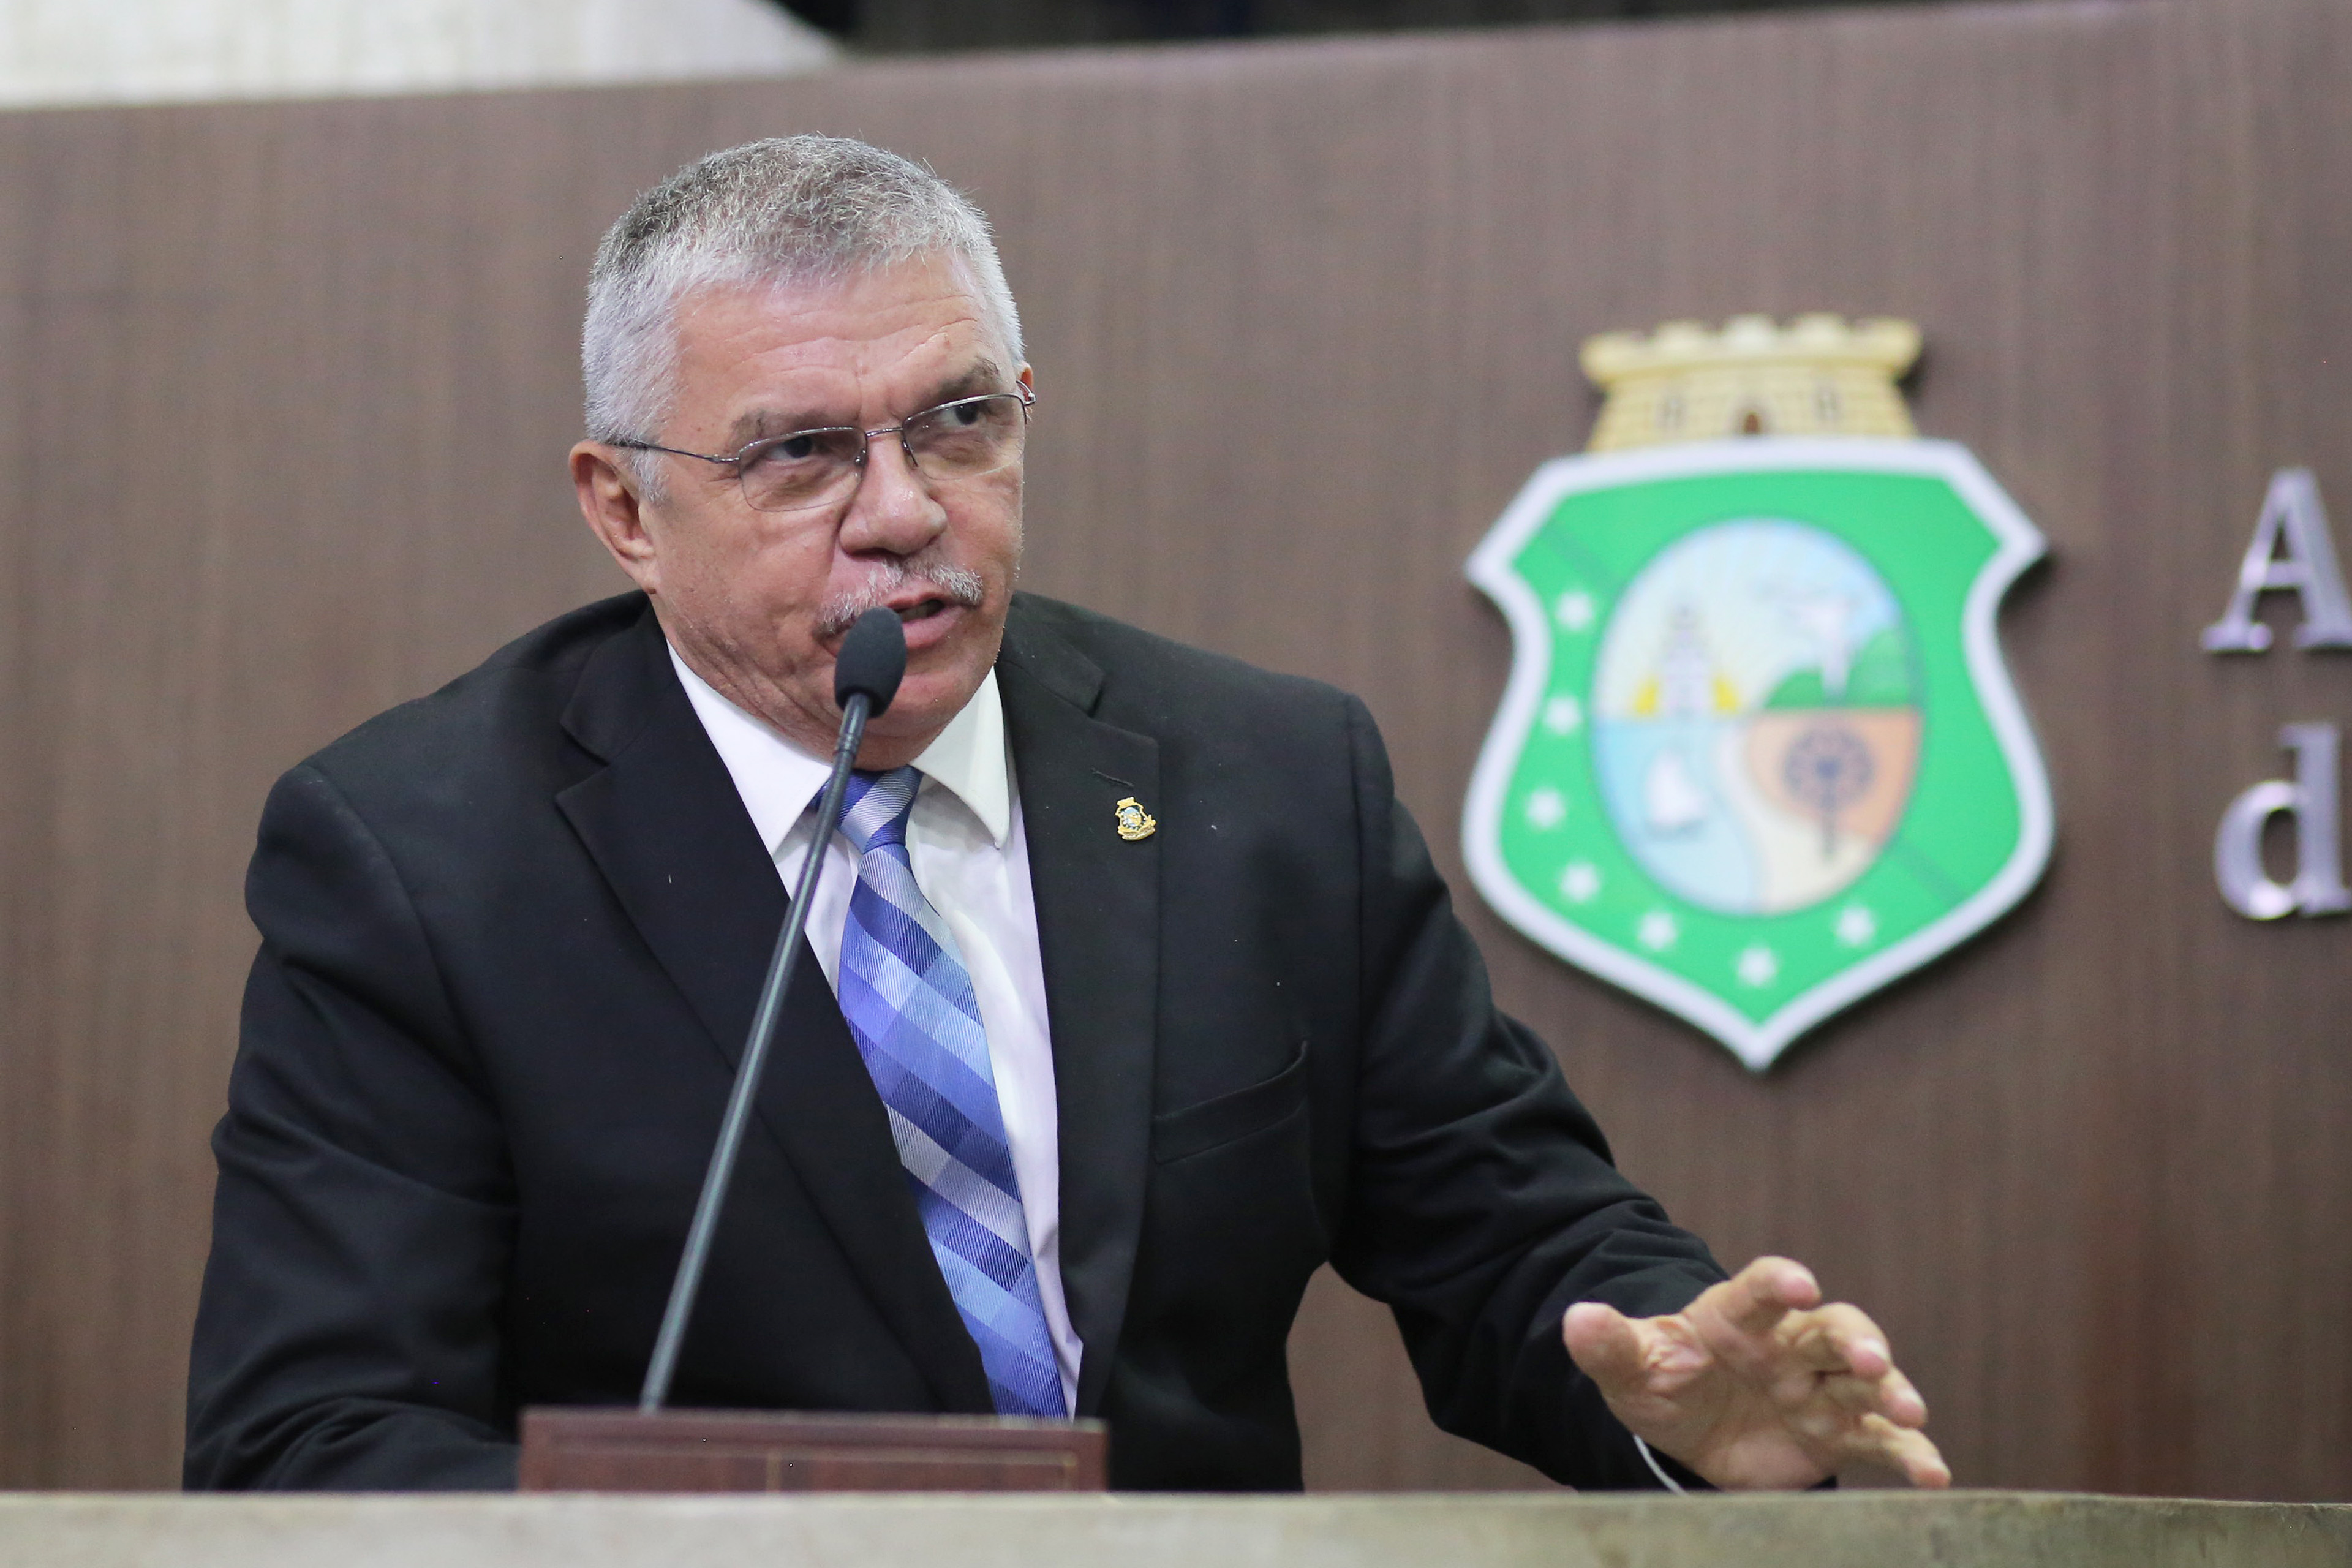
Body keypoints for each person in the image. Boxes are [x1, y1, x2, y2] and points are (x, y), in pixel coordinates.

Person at [184, 136, 1948, 1494]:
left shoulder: (1264, 783)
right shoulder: (424, 859)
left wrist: (1676, 1393)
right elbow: (316, 1439)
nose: (904, 512)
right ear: (626, 510)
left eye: (958, 422)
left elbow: (1509, 1230)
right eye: (800, 455)